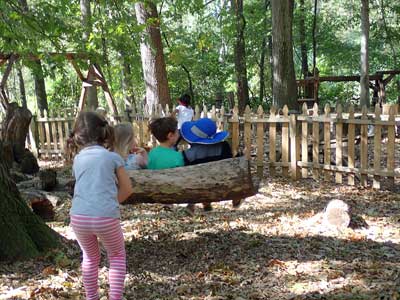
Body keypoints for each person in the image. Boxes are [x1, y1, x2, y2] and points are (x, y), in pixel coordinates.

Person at [69, 111, 133, 300]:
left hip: (78, 217)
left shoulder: (77, 159)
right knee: (117, 256)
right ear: (103, 132)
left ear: (78, 136)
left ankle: (91, 297)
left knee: (89, 257)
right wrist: (111, 204)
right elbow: (127, 188)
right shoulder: (112, 157)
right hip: (105, 216)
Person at [181, 117, 242, 214]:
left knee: (195, 178)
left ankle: (194, 202)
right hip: (221, 182)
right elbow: (229, 163)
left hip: (198, 185)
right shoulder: (224, 146)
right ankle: (233, 197)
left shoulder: (188, 155)